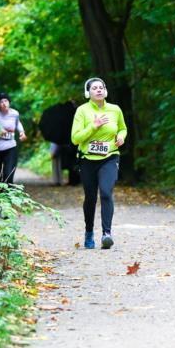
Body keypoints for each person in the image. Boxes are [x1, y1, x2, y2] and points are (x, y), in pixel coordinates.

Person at [71, 77, 127, 249]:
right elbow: (75, 138)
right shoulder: (82, 111)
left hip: (110, 157)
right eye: (94, 88)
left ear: (105, 90)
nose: (98, 90)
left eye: (101, 87)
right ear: (88, 92)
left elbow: (123, 128)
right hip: (87, 159)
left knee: (105, 193)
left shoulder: (115, 109)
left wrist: (120, 136)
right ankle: (89, 232)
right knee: (90, 198)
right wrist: (93, 126)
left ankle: (106, 234)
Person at [0, 92, 26, 184]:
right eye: (1, 102)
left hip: (10, 147)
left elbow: (18, 123)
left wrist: (22, 132)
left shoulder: (15, 113)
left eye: (6, 101)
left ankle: (8, 194)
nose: (4, 104)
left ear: (9, 102)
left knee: (8, 175)